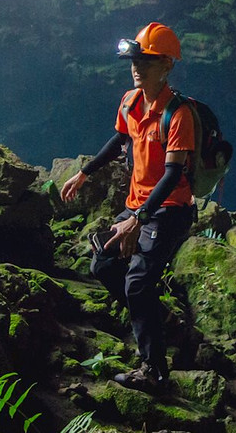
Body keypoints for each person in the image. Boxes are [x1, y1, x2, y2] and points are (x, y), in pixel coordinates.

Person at [59, 23, 197, 389]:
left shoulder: (178, 114)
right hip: (138, 205)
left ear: (166, 65)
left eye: (146, 61)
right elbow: (119, 139)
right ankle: (162, 319)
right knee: (102, 261)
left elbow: (171, 176)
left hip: (169, 208)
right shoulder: (130, 101)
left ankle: (154, 370)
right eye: (134, 60)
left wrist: (138, 219)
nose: (137, 67)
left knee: (137, 283)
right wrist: (84, 173)